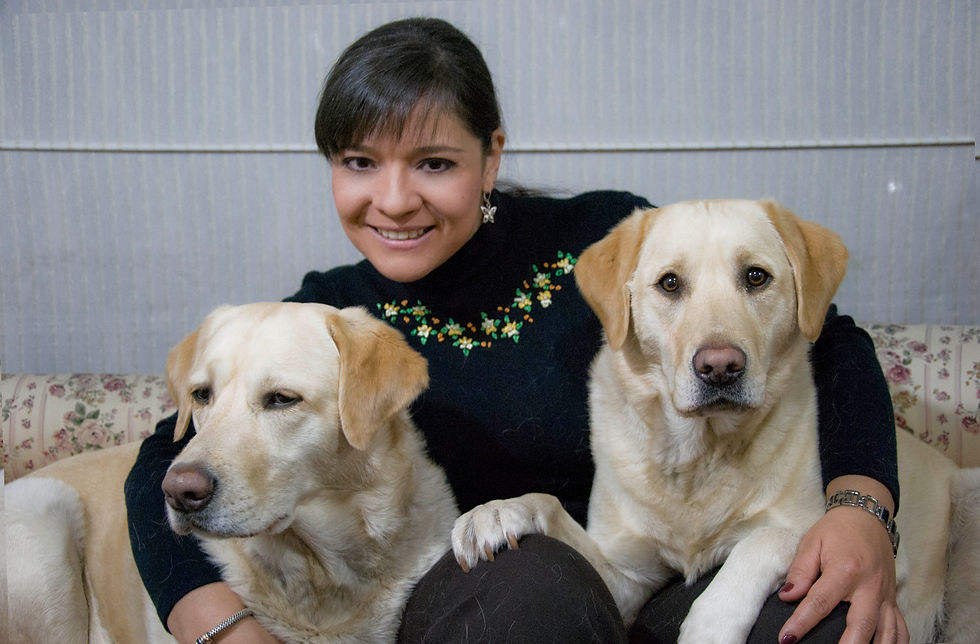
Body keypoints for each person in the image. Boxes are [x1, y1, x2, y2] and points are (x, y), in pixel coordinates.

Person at [125, 17, 906, 644]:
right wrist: (219, 624)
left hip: (663, 576)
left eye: (433, 164)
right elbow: (170, 453)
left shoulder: (602, 237)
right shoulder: (327, 318)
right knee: (532, 584)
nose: (392, 200)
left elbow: (830, 345)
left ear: (490, 157)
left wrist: (861, 508)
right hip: (490, 600)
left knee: (817, 618)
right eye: (359, 163)